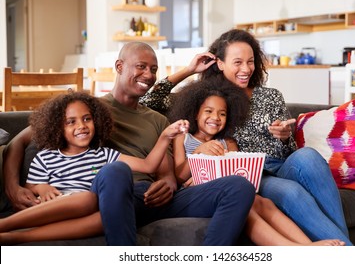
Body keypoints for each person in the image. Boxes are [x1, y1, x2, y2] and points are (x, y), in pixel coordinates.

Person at [2, 42, 256, 246]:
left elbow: (166, 172)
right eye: (141, 66)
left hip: (155, 199)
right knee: (115, 170)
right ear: (120, 66)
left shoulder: (157, 119)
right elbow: (17, 142)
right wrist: (13, 187)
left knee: (239, 186)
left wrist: (166, 184)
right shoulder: (88, 111)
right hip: (115, 195)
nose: (148, 75)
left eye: (153, 69)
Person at [140, 29, 353, 245]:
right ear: (220, 63)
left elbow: (291, 151)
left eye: (250, 62)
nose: (246, 69)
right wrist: (188, 70)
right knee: (291, 192)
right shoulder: (209, 99)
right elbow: (149, 101)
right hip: (253, 174)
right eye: (238, 62)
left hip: (283, 164)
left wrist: (284, 136)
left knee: (308, 155)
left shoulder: (270, 95)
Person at [167, 78, 344, 246]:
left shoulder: (227, 142)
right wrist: (199, 152)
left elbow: (237, 172)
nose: (216, 117)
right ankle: (294, 247)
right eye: (208, 111)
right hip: (202, 193)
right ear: (195, 113)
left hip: (230, 188)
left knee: (263, 202)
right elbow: (180, 175)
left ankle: (309, 245)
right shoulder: (184, 138)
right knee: (246, 206)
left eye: (222, 114)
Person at [0, 91, 189, 245]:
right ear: (57, 128)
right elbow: (31, 186)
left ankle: (15, 237)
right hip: (53, 207)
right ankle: (4, 224)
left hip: (86, 213)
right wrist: (42, 188)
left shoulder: (103, 154)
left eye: (87, 119)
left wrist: (165, 137)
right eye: (71, 122)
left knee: (106, 218)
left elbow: (148, 166)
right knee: (86, 199)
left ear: (96, 121)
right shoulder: (46, 157)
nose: (81, 126)